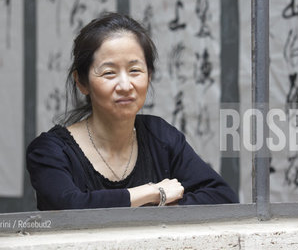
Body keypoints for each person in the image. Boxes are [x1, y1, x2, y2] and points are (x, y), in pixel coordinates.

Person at [26, 12, 238, 210]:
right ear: (81, 82)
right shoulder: (50, 151)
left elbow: (221, 197)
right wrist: (154, 192)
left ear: (149, 75)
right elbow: (71, 208)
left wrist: (143, 206)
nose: (126, 85)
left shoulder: (160, 136)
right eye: (109, 73)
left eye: (135, 70)